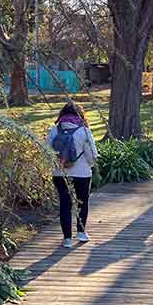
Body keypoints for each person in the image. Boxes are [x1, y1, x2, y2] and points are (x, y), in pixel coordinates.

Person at [47, 101, 98, 248]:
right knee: (82, 202)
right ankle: (81, 232)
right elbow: (92, 155)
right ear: (80, 114)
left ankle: (67, 238)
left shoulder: (54, 130)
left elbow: (46, 151)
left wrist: (58, 164)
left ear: (62, 114)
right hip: (82, 174)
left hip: (60, 173)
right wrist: (89, 165)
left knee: (65, 204)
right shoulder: (84, 131)